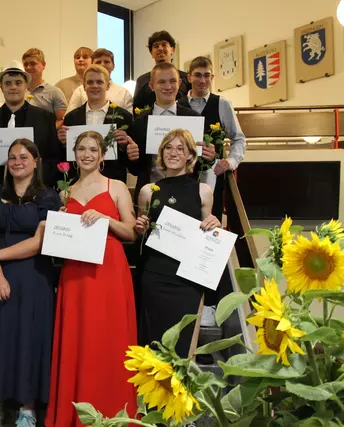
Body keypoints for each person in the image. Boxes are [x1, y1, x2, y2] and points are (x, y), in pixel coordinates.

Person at [46, 131, 138, 427]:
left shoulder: (117, 186)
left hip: (108, 272)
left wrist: (105, 218)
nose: (86, 154)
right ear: (74, 154)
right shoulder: (66, 191)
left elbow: (131, 232)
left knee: (108, 341)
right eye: (81, 149)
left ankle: (113, 411)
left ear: (102, 155)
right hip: (75, 274)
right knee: (79, 341)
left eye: (93, 149)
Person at [0, 139, 61, 427]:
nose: (17, 161)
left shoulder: (48, 196)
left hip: (33, 275)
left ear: (35, 161)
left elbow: (38, 242)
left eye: (23, 156)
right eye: (12, 157)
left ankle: (27, 407)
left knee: (28, 338)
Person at [134, 129, 221, 357]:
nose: (173, 153)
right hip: (155, 276)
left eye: (180, 148)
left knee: (182, 348)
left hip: (187, 281)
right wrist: (140, 229)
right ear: (161, 154)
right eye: (168, 148)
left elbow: (207, 234)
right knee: (153, 348)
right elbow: (142, 236)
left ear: (190, 156)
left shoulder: (203, 191)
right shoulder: (147, 192)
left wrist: (215, 225)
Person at [178, 56, 246, 327]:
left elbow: (239, 138)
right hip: (182, 181)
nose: (202, 80)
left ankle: (211, 301)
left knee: (209, 237)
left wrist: (230, 161)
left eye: (207, 75)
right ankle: (188, 299)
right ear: (189, 78)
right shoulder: (179, 106)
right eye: (197, 75)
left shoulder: (222, 104)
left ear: (212, 78)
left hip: (211, 182)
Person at [128, 62, 214, 203]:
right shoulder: (140, 122)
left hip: (186, 192)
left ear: (179, 83)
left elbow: (200, 163)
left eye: (172, 81)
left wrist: (209, 157)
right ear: (151, 86)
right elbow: (135, 170)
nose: (168, 87)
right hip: (151, 193)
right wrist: (132, 157)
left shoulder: (193, 119)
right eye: (161, 82)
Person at [0, 60, 61, 191]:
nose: (13, 87)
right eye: (8, 83)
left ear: (26, 86)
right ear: (1, 87)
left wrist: (38, 181)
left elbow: (53, 158)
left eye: (18, 83)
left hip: (36, 191)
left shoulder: (45, 118)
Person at [59, 64, 137, 184]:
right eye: (90, 82)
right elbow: (64, 156)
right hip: (79, 182)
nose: (94, 86)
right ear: (84, 86)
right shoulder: (71, 118)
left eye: (99, 82)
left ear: (108, 85)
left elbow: (132, 163)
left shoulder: (124, 117)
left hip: (112, 182)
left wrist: (124, 146)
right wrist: (63, 142)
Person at [133, 31, 191, 112]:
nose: (160, 48)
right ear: (151, 53)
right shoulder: (142, 80)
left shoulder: (186, 78)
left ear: (172, 49)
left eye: (164, 45)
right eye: (156, 46)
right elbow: (137, 108)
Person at [66, 48, 133, 114]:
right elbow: (70, 118)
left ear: (113, 66)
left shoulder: (124, 94)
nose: (102, 64)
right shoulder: (80, 91)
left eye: (106, 62)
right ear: (91, 65)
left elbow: (129, 121)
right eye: (98, 62)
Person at [22, 48, 68, 128]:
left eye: (33, 64)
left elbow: (61, 119)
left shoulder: (55, 92)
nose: (28, 67)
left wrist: (47, 132)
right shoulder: (19, 92)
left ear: (43, 65)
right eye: (26, 64)